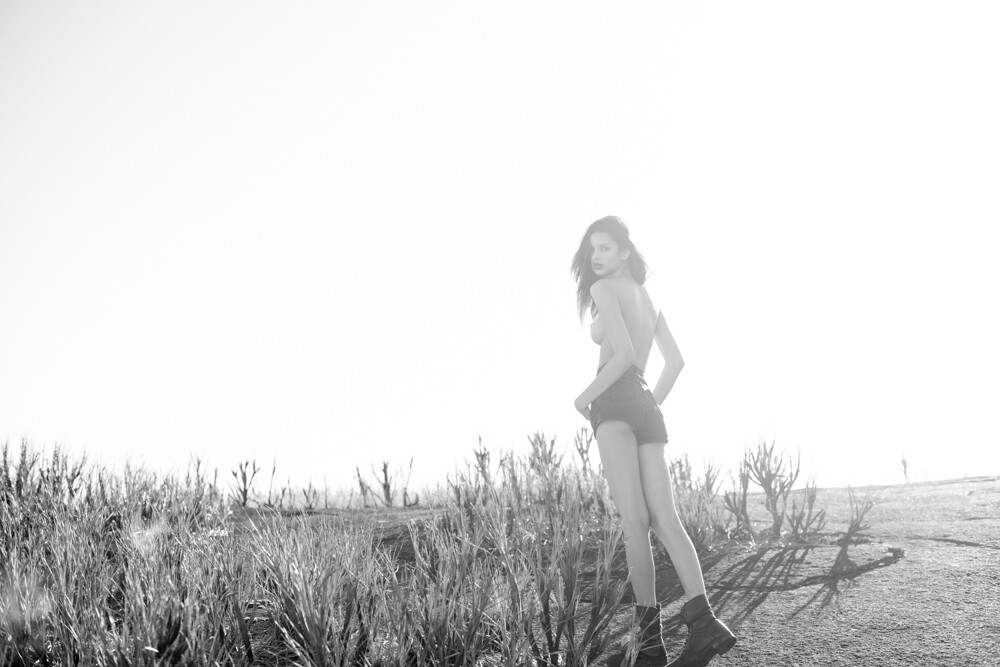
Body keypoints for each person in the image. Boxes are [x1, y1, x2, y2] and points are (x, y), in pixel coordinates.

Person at [571, 216, 736, 667]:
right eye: (592, 250)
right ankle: (705, 623)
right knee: (667, 520)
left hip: (615, 399)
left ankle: (649, 644)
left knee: (634, 521)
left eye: (605, 248)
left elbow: (623, 354)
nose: (596, 256)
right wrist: (649, 406)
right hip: (645, 403)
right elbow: (675, 361)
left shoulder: (604, 290)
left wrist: (582, 400)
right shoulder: (649, 297)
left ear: (625, 251)